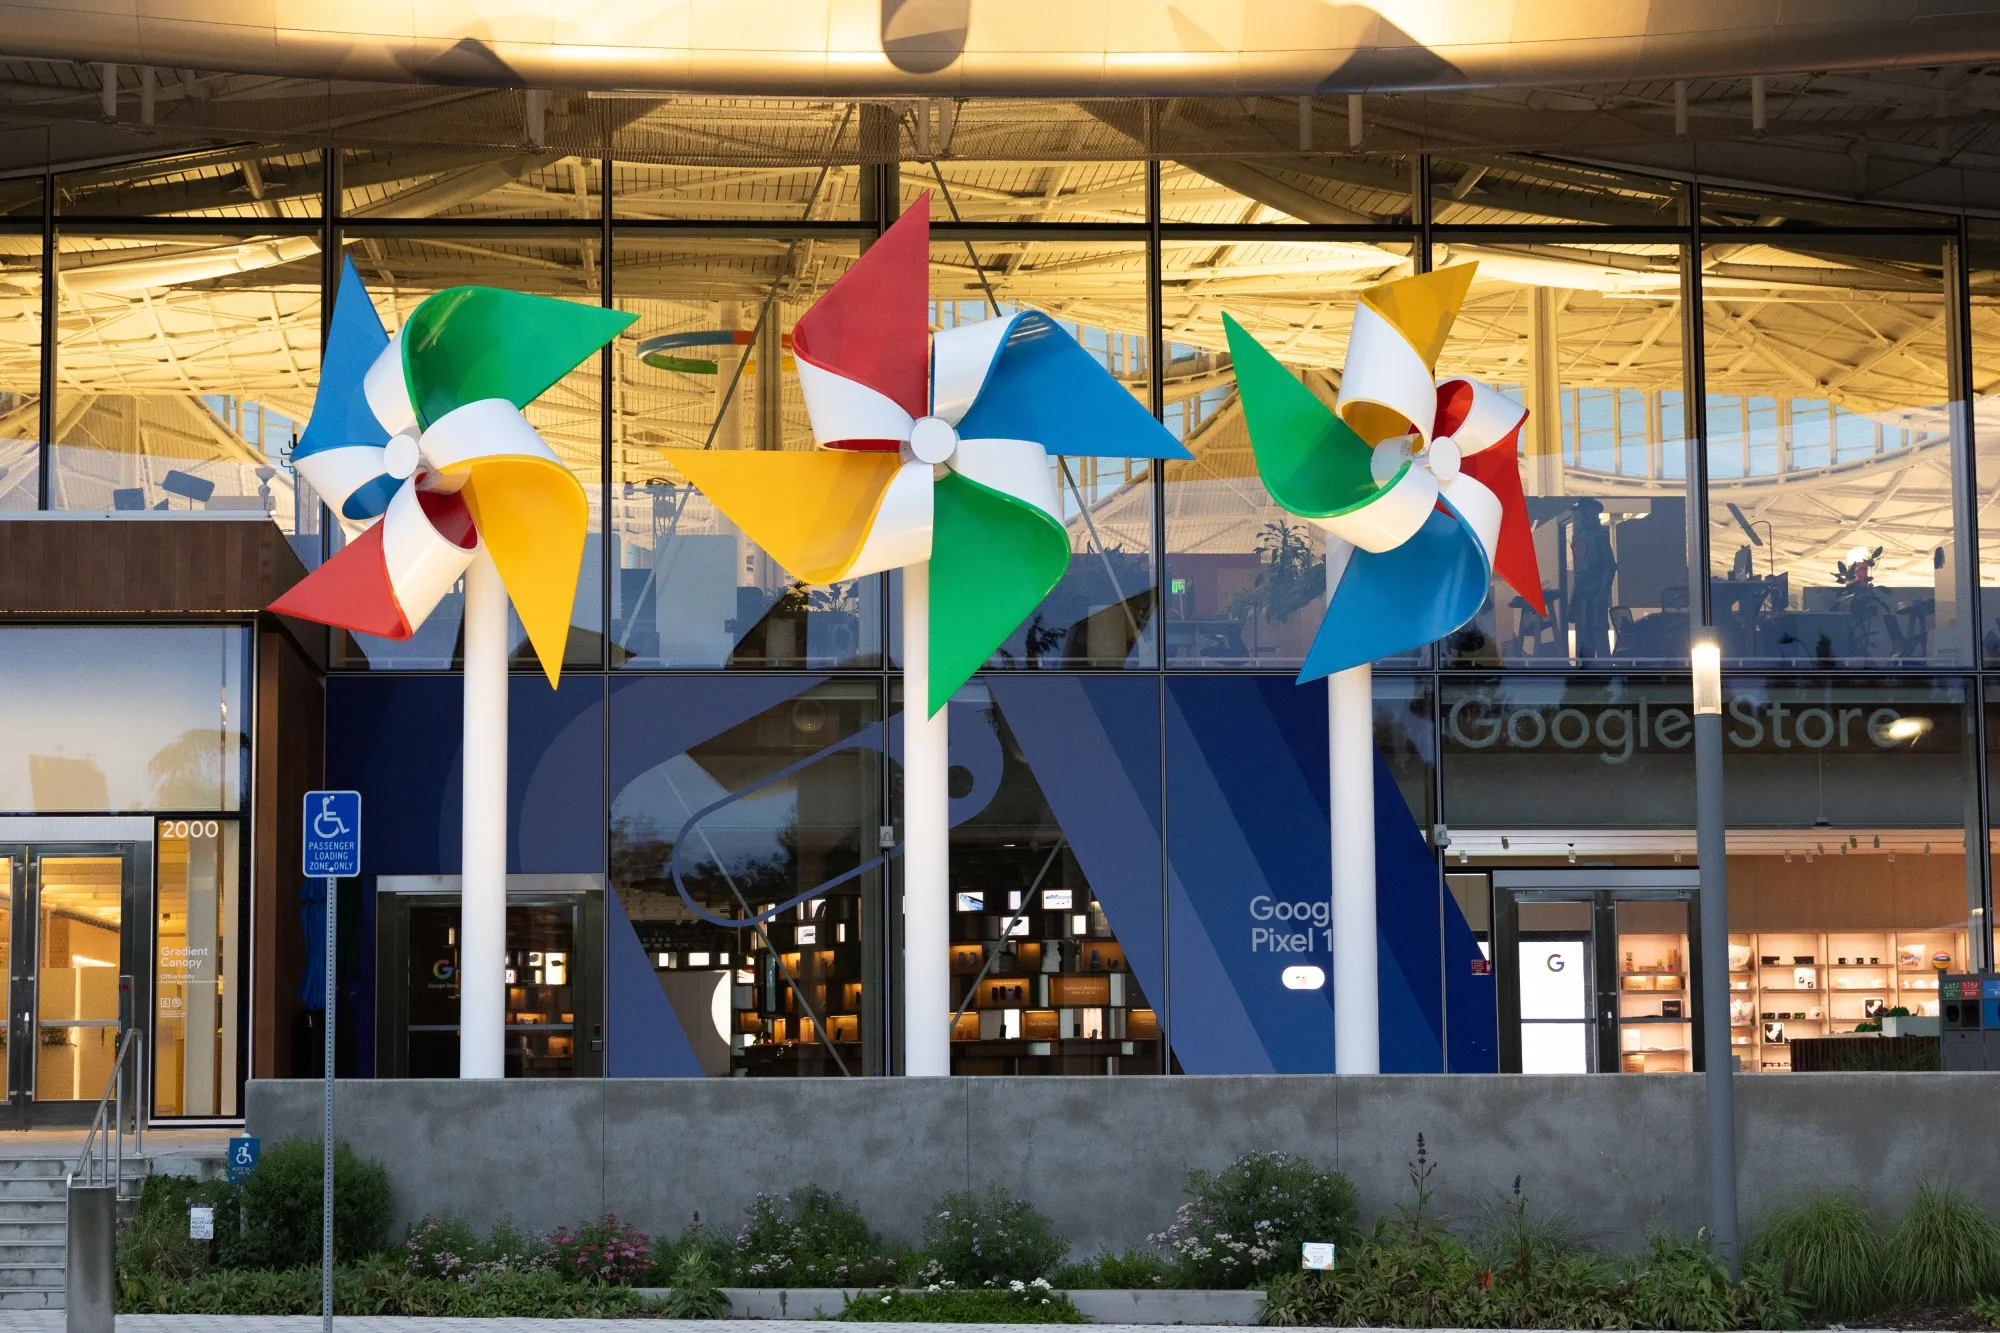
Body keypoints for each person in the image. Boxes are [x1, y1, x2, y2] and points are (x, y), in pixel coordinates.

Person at [1570, 498, 1617, 662]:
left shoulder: (1599, 536)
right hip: (1583, 594)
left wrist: (1602, 593)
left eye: (1583, 511)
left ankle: (1604, 674)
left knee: (1599, 634)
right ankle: (1585, 675)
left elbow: (1610, 567)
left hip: (1596, 593)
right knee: (1583, 636)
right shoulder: (1578, 536)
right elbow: (1579, 571)